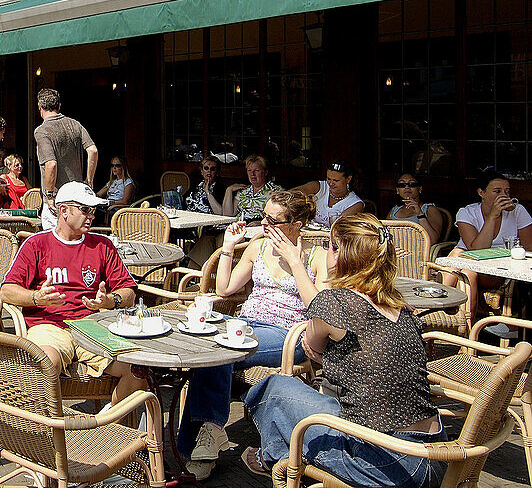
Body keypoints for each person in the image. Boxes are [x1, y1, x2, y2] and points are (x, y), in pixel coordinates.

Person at [243, 214, 446, 486]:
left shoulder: (334, 304)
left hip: (386, 464)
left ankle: (276, 458)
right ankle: (276, 457)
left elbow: (313, 347)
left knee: (275, 389)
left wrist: (295, 261)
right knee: (321, 402)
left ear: (341, 256)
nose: (326, 252)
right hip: (437, 455)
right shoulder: (402, 308)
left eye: (330, 246)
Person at [178, 189, 327, 480]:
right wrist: (229, 247)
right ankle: (203, 441)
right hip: (247, 325)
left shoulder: (316, 257)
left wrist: (295, 263)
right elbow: (224, 290)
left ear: (296, 225)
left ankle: (199, 442)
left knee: (224, 350)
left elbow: (320, 308)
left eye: (274, 221)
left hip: (288, 334)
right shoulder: (258, 247)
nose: (265, 224)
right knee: (214, 347)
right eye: (264, 217)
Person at [0, 181, 147, 405]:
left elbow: (129, 292)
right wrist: (36, 297)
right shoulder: (36, 244)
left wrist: (111, 301)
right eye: (85, 209)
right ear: (64, 211)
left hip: (93, 327)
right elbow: (7, 292)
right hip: (49, 325)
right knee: (44, 364)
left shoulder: (103, 245)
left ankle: (107, 429)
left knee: (138, 369)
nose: (91, 216)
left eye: (93, 210)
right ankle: (43, 434)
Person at [442, 169, 532, 317]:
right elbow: (475, 249)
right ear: (481, 193)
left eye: (507, 192)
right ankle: (460, 323)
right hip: (468, 264)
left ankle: (443, 305)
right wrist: (492, 217)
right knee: (464, 263)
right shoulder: (467, 213)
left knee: (460, 258)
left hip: (501, 269)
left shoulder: (517, 211)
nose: (504, 196)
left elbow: (529, 247)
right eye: (497, 191)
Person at [34, 88, 98, 231]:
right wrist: (89, 180)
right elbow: (93, 150)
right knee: (76, 242)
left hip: (58, 200)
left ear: (39, 106)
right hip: (77, 198)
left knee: (55, 245)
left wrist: (49, 195)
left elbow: (51, 164)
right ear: (59, 106)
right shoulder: (75, 124)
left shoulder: (42, 130)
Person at [293, 161, 364, 229]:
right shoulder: (319, 187)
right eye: (329, 179)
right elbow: (291, 194)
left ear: (348, 179)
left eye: (336, 180)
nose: (331, 183)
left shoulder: (356, 204)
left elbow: (338, 228)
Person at [386, 172, 444, 245]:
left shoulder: (429, 209)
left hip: (418, 253)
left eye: (412, 184)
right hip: (396, 252)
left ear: (420, 189)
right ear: (397, 190)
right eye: (402, 185)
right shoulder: (394, 210)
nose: (406, 187)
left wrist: (420, 214)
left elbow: (433, 240)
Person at [222, 154, 282, 224]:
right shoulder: (244, 191)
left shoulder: (276, 191)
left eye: (256, 170)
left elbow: (279, 218)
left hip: (260, 229)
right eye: (249, 170)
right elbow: (228, 215)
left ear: (265, 172)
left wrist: (260, 223)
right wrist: (229, 190)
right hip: (240, 227)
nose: (252, 174)